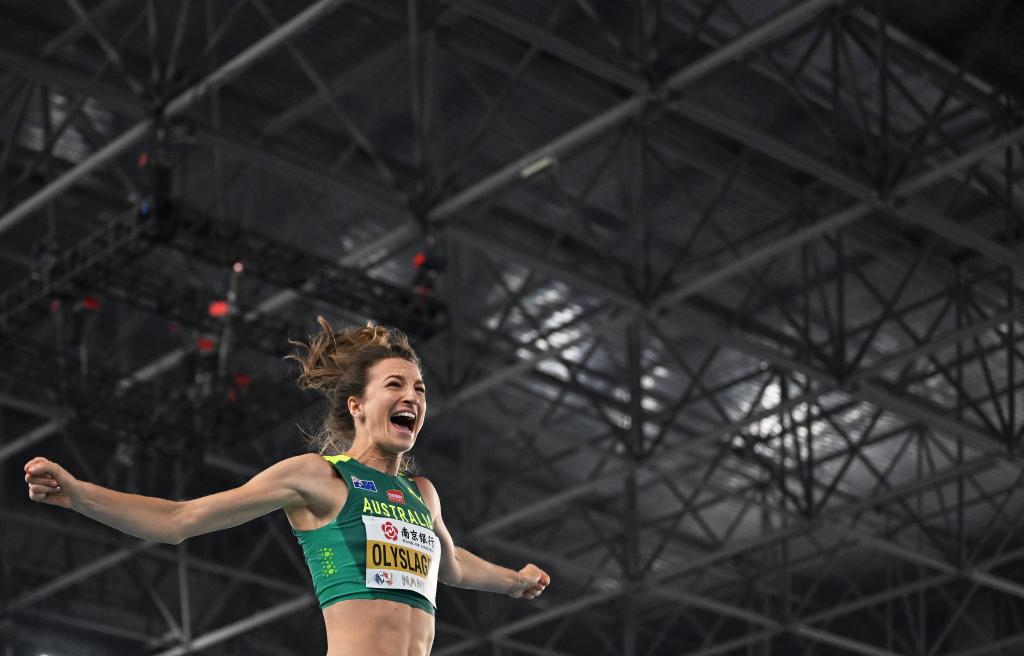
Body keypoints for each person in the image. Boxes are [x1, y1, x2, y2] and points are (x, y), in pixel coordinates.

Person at [24, 317, 550, 656]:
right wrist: (80, 494)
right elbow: (180, 520)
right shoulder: (318, 477)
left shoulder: (422, 494)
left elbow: (452, 566)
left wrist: (513, 581)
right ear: (357, 405)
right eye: (395, 384)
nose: (412, 395)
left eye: (419, 388)